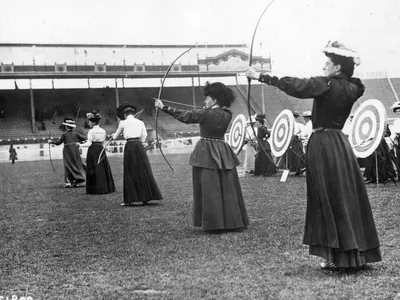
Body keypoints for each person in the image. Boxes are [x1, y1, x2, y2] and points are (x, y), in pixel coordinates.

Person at [246, 40, 382, 269]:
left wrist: (260, 76)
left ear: (337, 68)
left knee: (326, 196)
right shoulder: (353, 87)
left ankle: (336, 256)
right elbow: (353, 83)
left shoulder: (326, 84)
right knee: (344, 195)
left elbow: (297, 86)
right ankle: (352, 253)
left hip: (323, 144)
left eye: (328, 63)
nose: (323, 67)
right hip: (340, 143)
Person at [155, 82, 249, 231]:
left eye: (207, 98)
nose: (205, 101)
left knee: (209, 187)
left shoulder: (205, 113)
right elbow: (202, 114)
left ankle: (214, 223)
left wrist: (164, 107)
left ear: (215, 100)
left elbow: (187, 116)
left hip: (206, 151)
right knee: (226, 185)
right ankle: (232, 221)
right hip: (222, 149)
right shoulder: (227, 114)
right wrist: (205, 109)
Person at [112, 103, 162, 206]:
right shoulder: (140, 122)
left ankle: (130, 200)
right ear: (133, 114)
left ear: (125, 115)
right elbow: (144, 135)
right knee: (143, 169)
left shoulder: (122, 122)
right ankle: (146, 198)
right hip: (139, 145)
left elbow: (115, 137)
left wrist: (115, 135)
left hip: (129, 146)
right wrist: (139, 141)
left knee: (130, 170)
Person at [79, 111, 115, 194]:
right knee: (101, 168)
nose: (88, 123)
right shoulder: (103, 130)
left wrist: (79, 145)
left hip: (93, 150)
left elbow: (89, 143)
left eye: (89, 121)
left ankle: (95, 189)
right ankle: (105, 188)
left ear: (93, 122)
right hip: (100, 150)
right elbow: (103, 143)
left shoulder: (91, 131)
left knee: (93, 169)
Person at [49, 118, 86, 188]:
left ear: (66, 126)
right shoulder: (76, 133)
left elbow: (58, 143)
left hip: (67, 152)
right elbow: (85, 138)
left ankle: (70, 181)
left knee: (68, 165)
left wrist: (51, 141)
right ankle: (79, 180)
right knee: (76, 164)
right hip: (75, 151)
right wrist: (78, 141)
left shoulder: (64, 134)